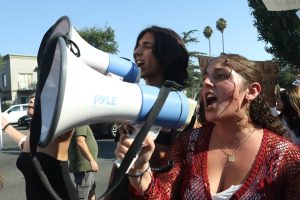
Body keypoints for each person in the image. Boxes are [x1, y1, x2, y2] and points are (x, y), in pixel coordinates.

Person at [115, 53, 300, 199]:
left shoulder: (286, 156)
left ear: (251, 91)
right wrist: (139, 170)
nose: (206, 82)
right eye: (205, 77)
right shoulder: (188, 144)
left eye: (221, 76)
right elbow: (162, 195)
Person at [105, 25, 189, 199]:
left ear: (166, 54)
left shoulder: (182, 109)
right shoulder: (134, 101)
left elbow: (177, 164)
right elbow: (120, 162)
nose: (136, 51)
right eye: (137, 46)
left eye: (147, 46)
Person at [6, 94, 78, 200]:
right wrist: (6, 126)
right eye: (32, 95)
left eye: (40, 94)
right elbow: (24, 144)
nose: (31, 97)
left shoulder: (61, 129)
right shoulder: (34, 128)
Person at [68, 125, 99, 200]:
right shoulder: (81, 122)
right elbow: (80, 142)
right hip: (84, 167)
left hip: (86, 167)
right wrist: (91, 160)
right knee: (82, 196)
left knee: (91, 192)